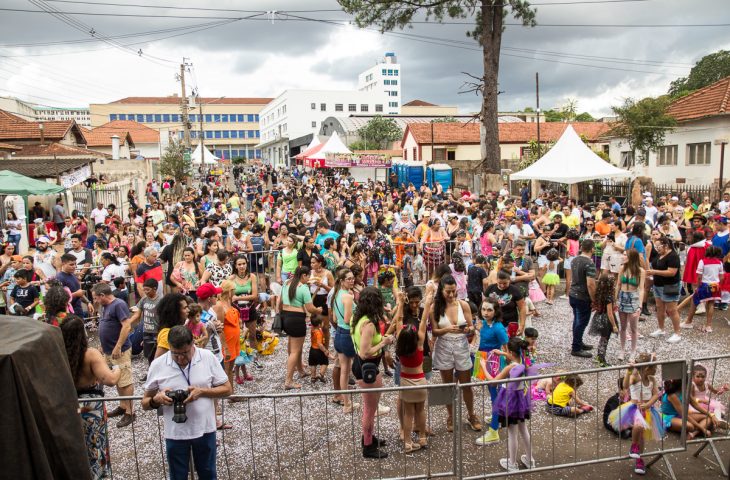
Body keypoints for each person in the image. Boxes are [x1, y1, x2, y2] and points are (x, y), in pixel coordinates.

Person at [142, 326, 232, 480]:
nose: (180, 358)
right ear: (169, 347)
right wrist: (156, 400)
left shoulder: (207, 357)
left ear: (193, 344)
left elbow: (227, 389)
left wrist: (202, 391)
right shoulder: (158, 364)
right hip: (175, 433)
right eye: (175, 354)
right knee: (177, 476)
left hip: (205, 429)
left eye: (185, 353)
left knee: (208, 474)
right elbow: (144, 403)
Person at [60, 316, 121, 480]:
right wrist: (117, 368)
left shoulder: (58, 353)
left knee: (76, 445)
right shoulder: (90, 354)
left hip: (69, 404)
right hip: (91, 407)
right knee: (95, 444)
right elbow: (110, 380)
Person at [429, 275, 481, 432]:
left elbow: (472, 327)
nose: (451, 295)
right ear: (442, 291)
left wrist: (468, 329)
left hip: (461, 345)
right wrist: (446, 329)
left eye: (453, 291)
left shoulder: (463, 304)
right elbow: (435, 332)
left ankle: (471, 414)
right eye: (448, 292)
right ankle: (450, 415)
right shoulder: (434, 307)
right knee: (447, 385)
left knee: (466, 384)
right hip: (443, 345)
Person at [351, 286, 395, 459]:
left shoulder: (358, 318)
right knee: (370, 409)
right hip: (367, 366)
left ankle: (368, 437)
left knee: (370, 407)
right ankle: (368, 446)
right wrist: (384, 343)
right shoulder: (368, 324)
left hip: (365, 365)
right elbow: (365, 352)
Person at [485, 337, 536, 472]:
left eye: (506, 350)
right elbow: (513, 357)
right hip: (521, 399)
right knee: (524, 430)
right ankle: (530, 460)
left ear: (512, 353)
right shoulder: (525, 362)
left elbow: (493, 381)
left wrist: (484, 367)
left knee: (512, 432)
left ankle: (512, 463)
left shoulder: (509, 368)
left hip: (509, 400)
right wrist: (502, 353)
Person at [608, 353, 663, 476]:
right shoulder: (635, 377)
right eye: (655, 367)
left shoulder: (652, 379)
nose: (656, 369)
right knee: (638, 426)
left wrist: (649, 404)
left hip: (647, 410)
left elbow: (655, 394)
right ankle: (634, 446)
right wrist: (628, 372)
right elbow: (625, 385)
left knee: (642, 437)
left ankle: (639, 458)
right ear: (647, 368)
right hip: (634, 408)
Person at [92, 283, 135, 428]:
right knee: (117, 378)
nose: (95, 301)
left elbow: (127, 326)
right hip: (109, 349)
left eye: (96, 298)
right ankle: (123, 406)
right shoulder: (106, 307)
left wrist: (118, 346)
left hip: (119, 350)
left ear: (103, 295)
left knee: (125, 379)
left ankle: (130, 411)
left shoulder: (119, 305)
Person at [279, 266, 322, 389]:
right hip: (297, 319)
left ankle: (300, 371)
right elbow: (310, 308)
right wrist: (318, 310)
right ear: (304, 275)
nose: (308, 279)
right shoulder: (303, 288)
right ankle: (288, 381)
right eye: (308, 276)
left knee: (293, 347)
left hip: (285, 316)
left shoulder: (287, 282)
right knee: (295, 351)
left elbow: (280, 301)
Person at [474, 298, 508, 445]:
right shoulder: (485, 324)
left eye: (489, 310)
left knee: (495, 396)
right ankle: (498, 417)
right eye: (484, 309)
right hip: (484, 359)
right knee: (493, 393)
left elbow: (507, 351)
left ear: (496, 312)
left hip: (494, 362)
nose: (486, 313)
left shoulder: (498, 328)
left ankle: (494, 431)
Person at [646, 236, 682, 342]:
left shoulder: (673, 256)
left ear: (666, 246)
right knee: (659, 307)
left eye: (659, 247)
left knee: (672, 310)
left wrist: (654, 272)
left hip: (670, 285)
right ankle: (661, 329)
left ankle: (677, 333)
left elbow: (672, 272)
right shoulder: (659, 255)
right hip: (658, 285)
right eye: (656, 247)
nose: (657, 249)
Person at [681, 245, 723, 333]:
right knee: (711, 304)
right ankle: (708, 326)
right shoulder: (719, 262)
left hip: (705, 285)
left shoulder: (702, 261)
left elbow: (699, 276)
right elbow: (721, 277)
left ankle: (688, 322)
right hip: (715, 285)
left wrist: (698, 287)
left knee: (694, 301)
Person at [568, 239, 597, 358]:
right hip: (582, 297)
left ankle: (578, 342)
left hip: (573, 294)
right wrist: (594, 299)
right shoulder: (589, 263)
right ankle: (576, 347)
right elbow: (590, 284)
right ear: (592, 249)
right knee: (581, 322)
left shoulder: (575, 259)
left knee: (577, 320)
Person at [616, 249, 646, 361]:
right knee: (623, 327)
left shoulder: (640, 271)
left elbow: (642, 289)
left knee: (634, 328)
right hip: (622, 297)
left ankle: (633, 352)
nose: (622, 257)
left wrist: (640, 306)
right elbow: (618, 285)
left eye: (624, 255)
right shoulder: (622, 269)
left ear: (630, 257)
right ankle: (622, 350)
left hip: (634, 298)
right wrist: (615, 300)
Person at [128, 278, 161, 366]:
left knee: (157, 355)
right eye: (144, 290)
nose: (146, 292)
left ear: (155, 289)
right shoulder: (144, 299)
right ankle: (150, 372)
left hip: (157, 332)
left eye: (148, 290)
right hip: (146, 331)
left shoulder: (161, 301)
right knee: (148, 355)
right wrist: (128, 322)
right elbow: (137, 314)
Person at [588, 275, 618, 367]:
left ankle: (599, 357)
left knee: (602, 339)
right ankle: (602, 359)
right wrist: (614, 325)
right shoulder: (608, 297)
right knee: (605, 340)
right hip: (606, 320)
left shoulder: (600, 294)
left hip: (599, 317)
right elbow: (610, 313)